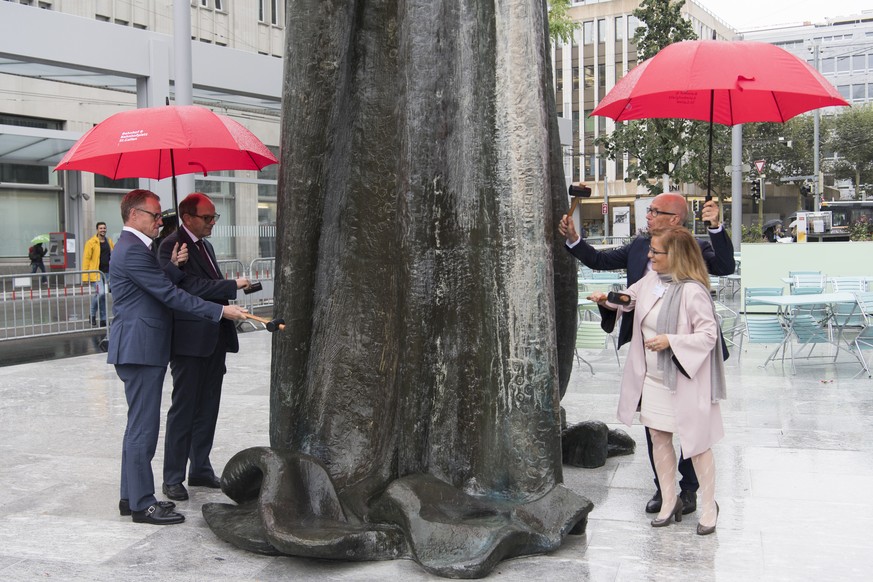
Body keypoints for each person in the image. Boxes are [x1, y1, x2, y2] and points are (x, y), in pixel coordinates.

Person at [558, 191, 734, 517]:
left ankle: (691, 490)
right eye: (649, 209)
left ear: (675, 219)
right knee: (656, 425)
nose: (648, 215)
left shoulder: (688, 247)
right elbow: (602, 263)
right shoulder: (640, 246)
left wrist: (715, 227)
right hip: (650, 355)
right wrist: (574, 241)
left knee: (690, 425)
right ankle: (664, 490)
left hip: (688, 356)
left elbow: (724, 265)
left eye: (655, 211)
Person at [107, 189, 248, 526]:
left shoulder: (136, 250)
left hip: (141, 346)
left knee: (137, 427)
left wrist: (172, 266)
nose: (160, 222)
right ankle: (142, 504)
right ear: (134, 215)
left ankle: (131, 496)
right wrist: (220, 311)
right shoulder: (133, 250)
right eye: (155, 216)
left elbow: (157, 283)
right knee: (143, 429)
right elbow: (169, 294)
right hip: (141, 347)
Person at [588, 226, 725, 535]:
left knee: (697, 444)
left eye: (655, 252)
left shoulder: (693, 291)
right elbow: (629, 299)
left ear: (674, 255)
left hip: (685, 379)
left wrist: (671, 341)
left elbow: (708, 335)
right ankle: (669, 500)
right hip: (653, 378)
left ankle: (708, 507)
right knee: (659, 438)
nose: (649, 256)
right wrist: (607, 300)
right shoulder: (651, 280)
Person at [158, 193, 250, 501]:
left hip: (215, 338)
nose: (212, 223)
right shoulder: (170, 246)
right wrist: (231, 286)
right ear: (187, 218)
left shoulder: (205, 246)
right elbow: (188, 288)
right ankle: (173, 476)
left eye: (215, 217)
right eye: (207, 218)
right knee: (184, 409)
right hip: (188, 342)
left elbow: (205, 284)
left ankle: (200, 466)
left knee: (208, 407)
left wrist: (232, 287)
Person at [82, 222, 114, 326]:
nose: (103, 230)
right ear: (97, 230)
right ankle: (92, 315)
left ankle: (104, 319)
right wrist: (85, 276)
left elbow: (113, 255)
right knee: (100, 293)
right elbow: (86, 260)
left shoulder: (109, 241)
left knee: (103, 296)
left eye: (104, 228)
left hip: (107, 273)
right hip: (96, 273)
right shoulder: (91, 242)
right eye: (101, 228)